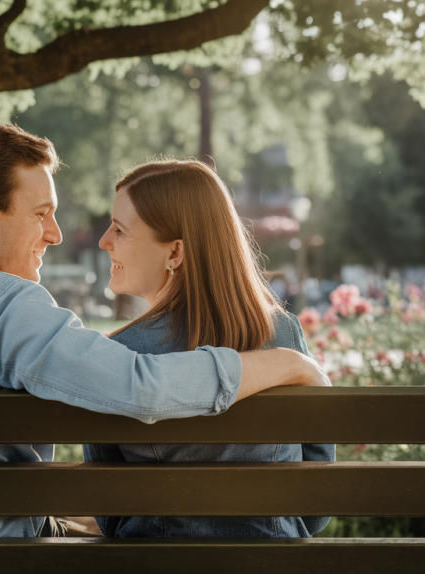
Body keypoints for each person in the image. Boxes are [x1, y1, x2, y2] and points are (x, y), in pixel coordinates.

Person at [0, 121, 330, 539]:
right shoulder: (4, 306)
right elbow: (140, 388)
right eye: (42, 213)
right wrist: (286, 362)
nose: (56, 234)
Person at [85, 158, 335, 538]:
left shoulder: (120, 353)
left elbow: (109, 515)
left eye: (119, 229)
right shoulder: (283, 333)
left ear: (175, 253)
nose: (103, 240)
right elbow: (315, 510)